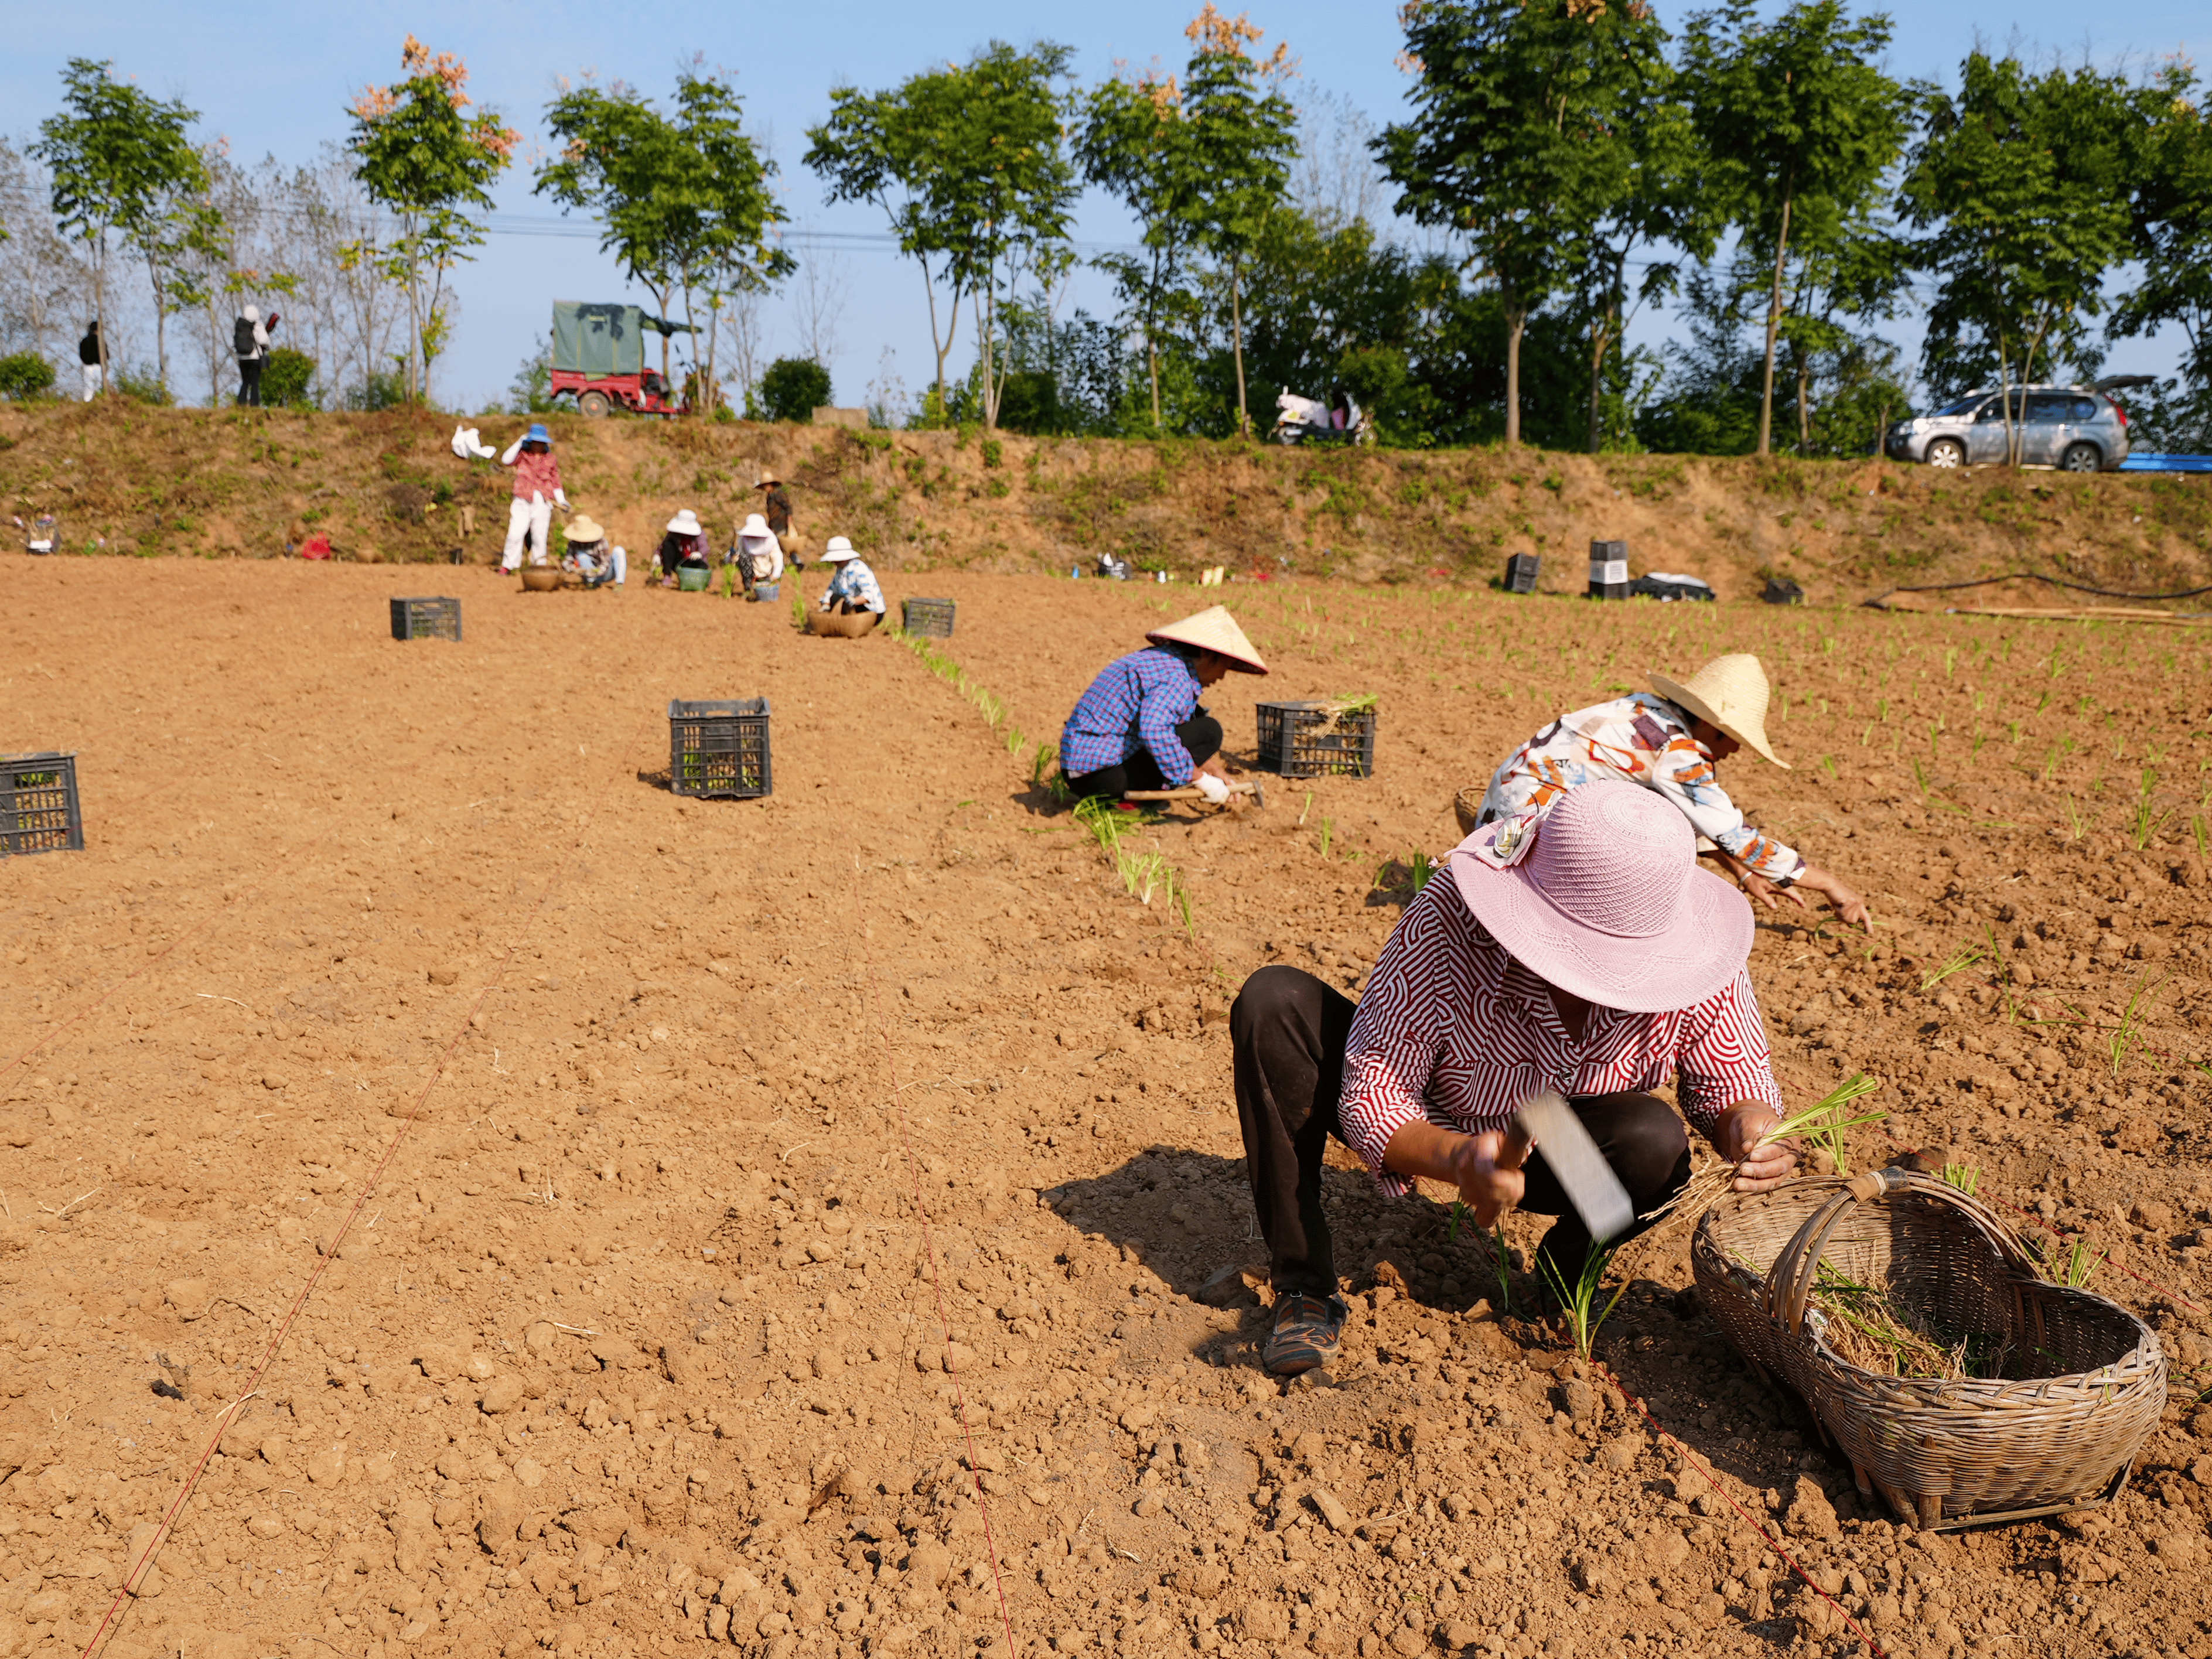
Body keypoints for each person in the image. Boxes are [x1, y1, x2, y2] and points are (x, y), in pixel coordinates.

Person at [1233, 780, 1794, 1376]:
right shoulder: (1453, 913)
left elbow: (1732, 1079)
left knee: (1653, 1140)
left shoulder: (1694, 949)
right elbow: (1376, 1087)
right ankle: (1304, 1287)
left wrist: (1746, 1125)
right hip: (1434, 1116)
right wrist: (1456, 1158)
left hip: (1557, 1147)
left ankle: (1559, 1280)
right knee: (1274, 1002)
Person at [1469, 653, 1870, 930]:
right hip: (1531, 829)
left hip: (1500, 811)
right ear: (1715, 729)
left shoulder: (1645, 711)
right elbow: (1735, 835)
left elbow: (1684, 814)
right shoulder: (1678, 751)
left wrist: (1743, 874)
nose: (1734, 752)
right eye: (1735, 742)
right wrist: (1829, 884)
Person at [1059, 605, 1267, 807]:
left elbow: (1164, 731)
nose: (1222, 676)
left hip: (1080, 772)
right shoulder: (1177, 678)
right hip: (1103, 778)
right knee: (1209, 731)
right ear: (1206, 654)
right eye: (1224, 667)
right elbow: (1154, 731)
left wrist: (1213, 772)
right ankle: (1131, 797)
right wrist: (1200, 778)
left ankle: (1142, 791)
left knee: (1191, 723)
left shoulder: (1160, 660)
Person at [499, 424, 567, 573]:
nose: (538, 445)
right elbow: (505, 460)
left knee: (539, 536)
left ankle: (539, 566)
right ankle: (508, 565)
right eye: (535, 442)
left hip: (543, 501)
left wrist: (561, 500)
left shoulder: (550, 459)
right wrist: (519, 442)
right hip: (522, 499)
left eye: (541, 442)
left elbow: (555, 480)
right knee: (515, 533)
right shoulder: (522, 455)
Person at [816, 537, 884, 617]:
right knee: (834, 599)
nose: (834, 563)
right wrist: (826, 604)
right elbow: (832, 589)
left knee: (843, 602)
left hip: (871, 611)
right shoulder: (841, 570)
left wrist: (853, 601)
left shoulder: (859, 568)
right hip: (851, 604)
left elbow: (869, 595)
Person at [559, 514, 625, 589]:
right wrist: (575, 569)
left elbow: (606, 563)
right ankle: (591, 583)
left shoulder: (601, 542)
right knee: (582, 556)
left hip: (606, 573)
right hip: (588, 576)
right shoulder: (573, 544)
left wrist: (596, 572)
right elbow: (566, 562)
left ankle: (619, 584)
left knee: (619, 550)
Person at [733, 513, 783, 599]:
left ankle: (765, 587)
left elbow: (778, 560)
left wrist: (774, 577)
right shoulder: (743, 539)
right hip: (751, 572)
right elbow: (739, 554)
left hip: (768, 573)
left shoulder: (771, 541)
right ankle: (749, 588)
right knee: (744, 558)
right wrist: (732, 559)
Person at [234, 306, 277, 406]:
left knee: (245, 382)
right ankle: (254, 404)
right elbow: (264, 341)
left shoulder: (240, 325)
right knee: (254, 382)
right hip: (254, 358)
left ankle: (241, 403)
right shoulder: (257, 325)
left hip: (242, 358)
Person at [755, 474, 798, 565]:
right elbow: (771, 513)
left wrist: (790, 518)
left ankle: (796, 562)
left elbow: (788, 506)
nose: (765, 488)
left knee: (782, 544)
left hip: (782, 523)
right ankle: (789, 563)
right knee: (780, 545)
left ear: (771, 485)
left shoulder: (778, 494)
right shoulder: (769, 497)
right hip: (775, 524)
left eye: (766, 486)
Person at [78, 323, 102, 402]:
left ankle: (87, 400)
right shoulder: (100, 341)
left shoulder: (84, 341)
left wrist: (86, 361)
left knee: (88, 383)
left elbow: (81, 354)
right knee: (100, 383)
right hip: (98, 365)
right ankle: (99, 398)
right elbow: (106, 355)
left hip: (87, 365)